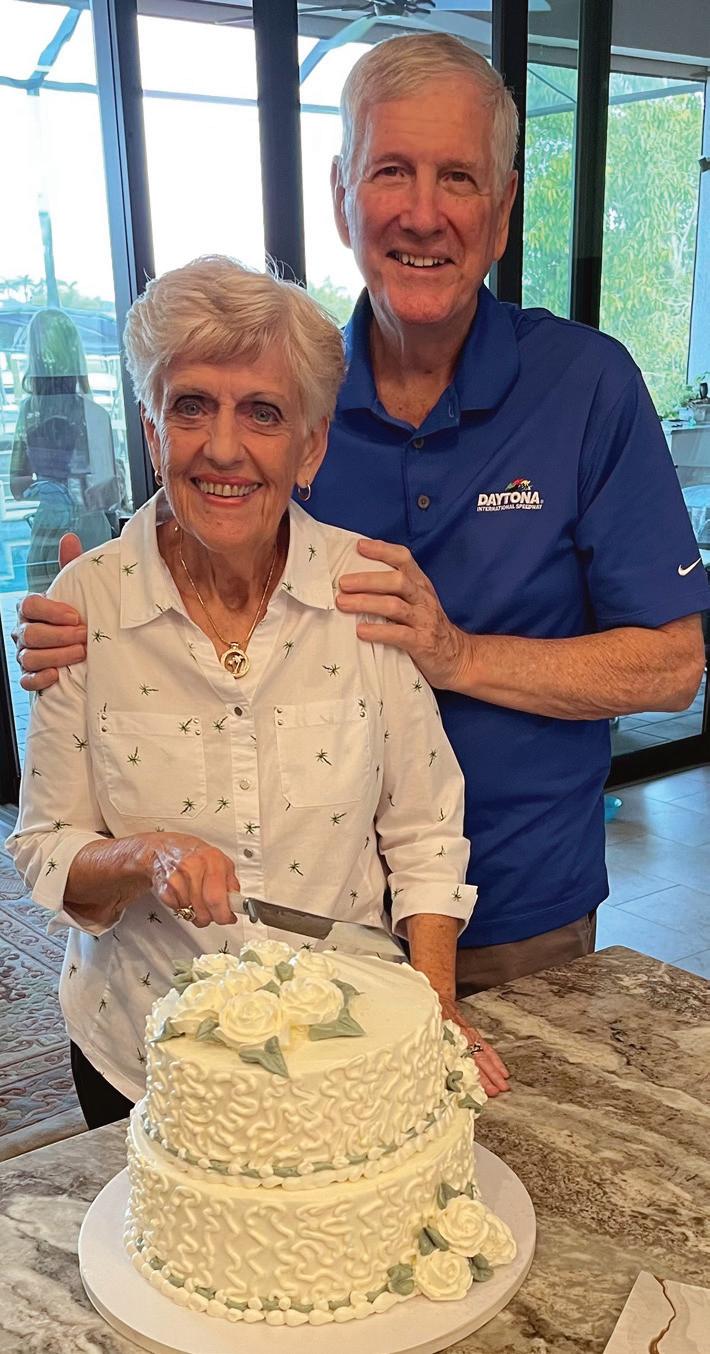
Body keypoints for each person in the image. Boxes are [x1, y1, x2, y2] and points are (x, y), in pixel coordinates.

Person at [13, 35, 708, 997]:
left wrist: (457, 654)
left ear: (503, 210)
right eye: (391, 171)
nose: (423, 213)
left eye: (458, 177)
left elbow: (673, 667)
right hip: (311, 937)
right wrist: (91, 610)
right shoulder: (287, 391)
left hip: (522, 910)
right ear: (342, 196)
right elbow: (198, 517)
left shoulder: (587, 386)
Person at [6, 257, 509, 1131]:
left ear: (311, 446)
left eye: (264, 413)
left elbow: (426, 829)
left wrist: (432, 1009)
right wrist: (145, 856)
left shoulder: (364, 589)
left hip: (345, 1043)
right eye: (191, 406)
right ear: (153, 431)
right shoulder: (87, 604)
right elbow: (46, 845)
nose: (224, 447)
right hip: (143, 1054)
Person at [10, 308, 119, 590]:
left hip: (49, 529)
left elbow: (17, 486)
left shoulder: (29, 413)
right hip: (87, 532)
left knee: (48, 605)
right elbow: (109, 496)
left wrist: (49, 487)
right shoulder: (95, 414)